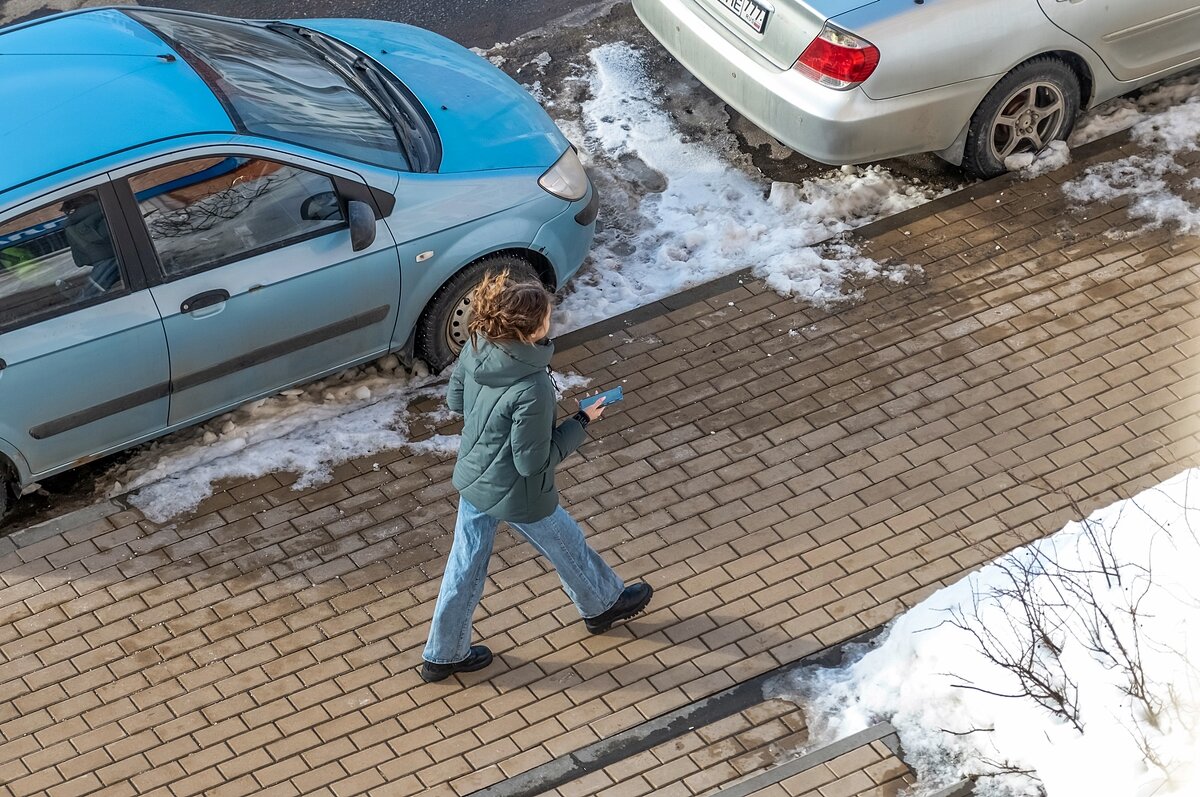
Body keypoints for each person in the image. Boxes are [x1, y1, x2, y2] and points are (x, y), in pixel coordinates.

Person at [421, 269, 653, 683]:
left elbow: (457, 400)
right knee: (566, 542)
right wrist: (581, 421)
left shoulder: (476, 344)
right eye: (547, 316)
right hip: (519, 492)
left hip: (476, 477)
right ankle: (602, 605)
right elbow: (533, 463)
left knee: (465, 564)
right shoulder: (532, 386)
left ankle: (443, 654)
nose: (552, 320)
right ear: (531, 330)